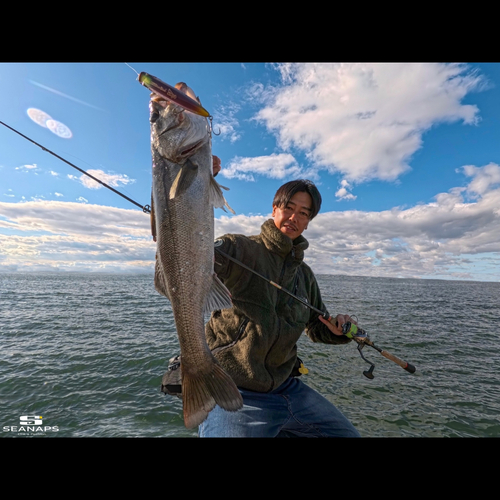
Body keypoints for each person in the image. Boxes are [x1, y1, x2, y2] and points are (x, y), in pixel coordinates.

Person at [198, 157, 360, 437]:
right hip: (230, 386)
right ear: (275, 209)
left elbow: (316, 326)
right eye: (289, 208)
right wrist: (198, 182)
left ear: (308, 222)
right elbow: (192, 260)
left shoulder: (305, 275)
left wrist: (340, 331)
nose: (294, 217)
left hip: (287, 388)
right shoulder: (238, 248)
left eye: (304, 213)